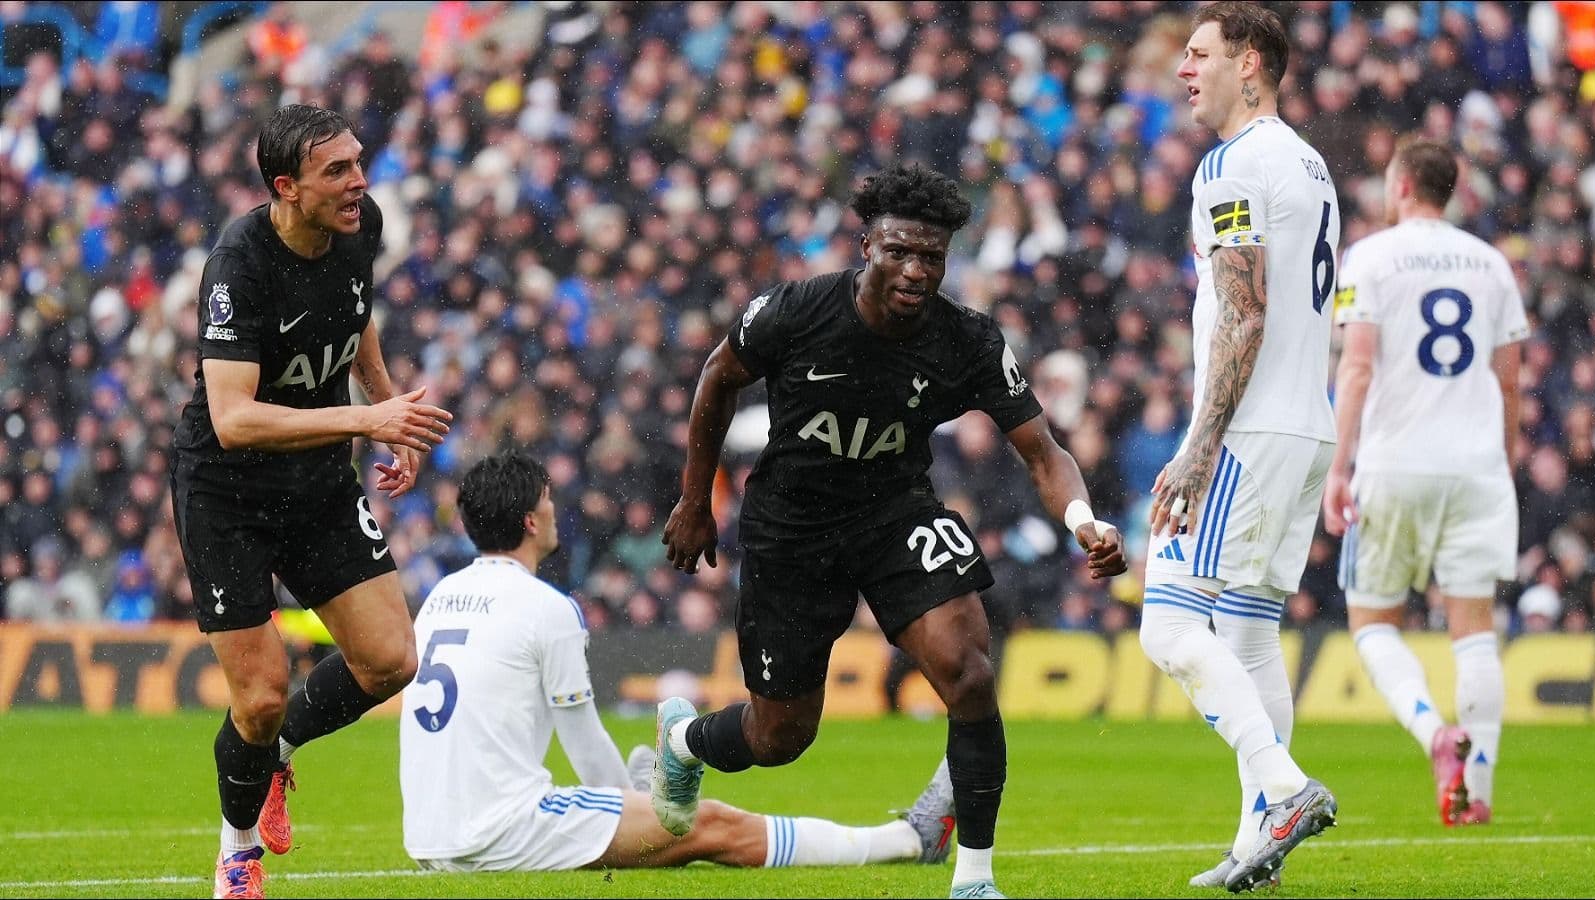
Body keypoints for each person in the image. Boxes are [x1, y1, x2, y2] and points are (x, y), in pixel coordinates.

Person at [656, 162, 1127, 900]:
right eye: (898, 251)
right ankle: (684, 742)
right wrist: (694, 503)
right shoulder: (797, 309)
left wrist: (1083, 519)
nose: (914, 270)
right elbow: (718, 377)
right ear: (866, 243)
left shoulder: (966, 340)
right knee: (781, 738)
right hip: (792, 525)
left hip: (893, 510)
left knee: (970, 675)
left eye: (930, 257)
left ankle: (974, 879)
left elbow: (1043, 450)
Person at [400, 449, 957, 873]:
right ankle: (909, 841)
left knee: (681, 817)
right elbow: (584, 743)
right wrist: (639, 809)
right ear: (529, 520)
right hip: (499, 833)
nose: (553, 509)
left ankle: (655, 792)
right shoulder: (546, 607)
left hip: (430, 836)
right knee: (705, 823)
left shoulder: (438, 600)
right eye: (547, 499)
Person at [169, 104, 453, 899]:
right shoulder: (239, 263)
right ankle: (236, 854)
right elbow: (233, 419)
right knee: (256, 699)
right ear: (286, 188)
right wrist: (369, 417)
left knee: (393, 659)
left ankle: (278, 759)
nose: (359, 180)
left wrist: (391, 413)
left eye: (359, 162)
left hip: (320, 479)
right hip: (228, 492)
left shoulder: (360, 227)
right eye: (338, 170)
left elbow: (355, 322)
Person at [1140, 4, 1341, 891]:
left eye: (1199, 54)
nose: (1185, 70)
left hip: (1248, 430)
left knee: (1170, 626)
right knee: (1252, 637)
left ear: (1249, 63)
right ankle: (1259, 840)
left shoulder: (1233, 164)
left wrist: (1199, 445)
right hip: (1308, 424)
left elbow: (1245, 309)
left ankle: (1284, 787)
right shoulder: (1309, 161)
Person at [1322, 137, 1526, 829]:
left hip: (1395, 463)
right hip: (1477, 468)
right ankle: (1481, 790)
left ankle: (1433, 732)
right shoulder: (1493, 264)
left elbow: (1356, 369)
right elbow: (1508, 380)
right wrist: (1502, 459)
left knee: (1372, 621)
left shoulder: (1372, 256)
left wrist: (1339, 465)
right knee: (1474, 632)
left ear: (1403, 185)